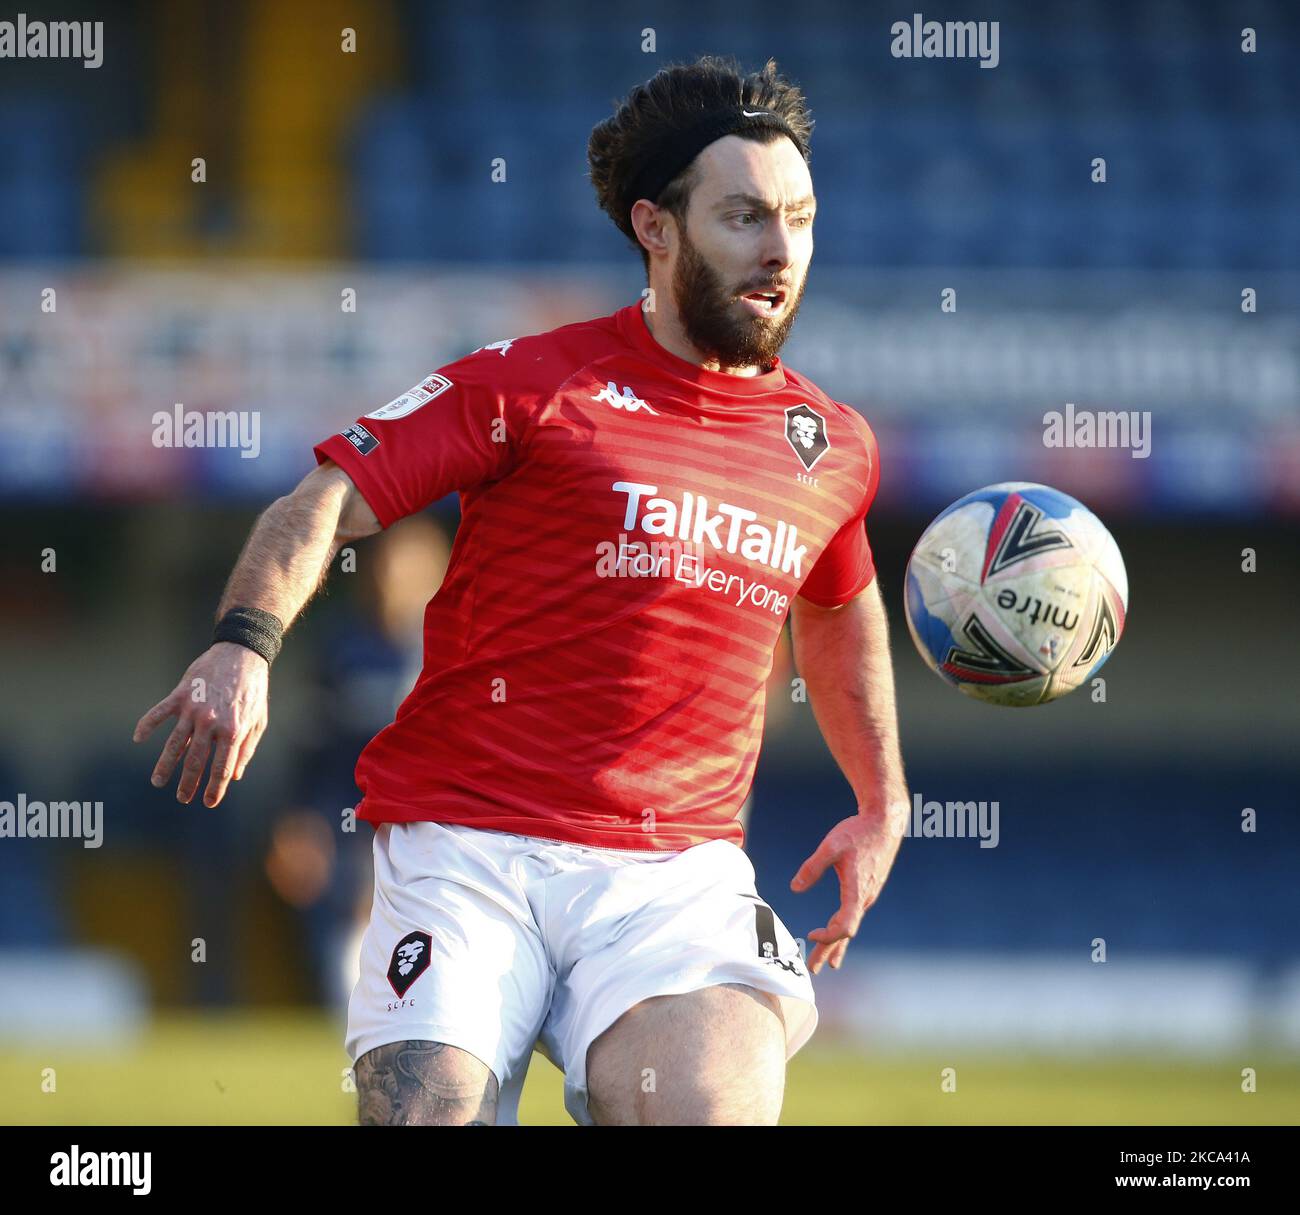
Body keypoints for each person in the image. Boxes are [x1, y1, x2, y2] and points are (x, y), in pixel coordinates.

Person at [134, 54, 910, 1126]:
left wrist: (881, 799)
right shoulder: (531, 385)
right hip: (466, 847)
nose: (780, 250)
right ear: (656, 227)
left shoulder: (830, 449)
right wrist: (242, 644)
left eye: (799, 218)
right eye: (742, 218)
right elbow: (323, 499)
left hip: (672, 877)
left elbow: (836, 607)